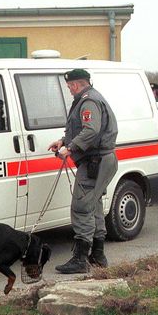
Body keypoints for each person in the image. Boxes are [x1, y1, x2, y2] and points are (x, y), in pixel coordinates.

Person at [48, 68, 118, 274]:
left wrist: (69, 148)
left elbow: (91, 130)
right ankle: (98, 254)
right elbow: (81, 129)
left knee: (81, 207)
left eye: (69, 86)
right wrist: (63, 141)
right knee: (93, 204)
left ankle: (80, 259)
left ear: (76, 84)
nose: (69, 90)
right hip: (101, 159)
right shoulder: (91, 98)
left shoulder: (88, 101)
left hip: (94, 162)